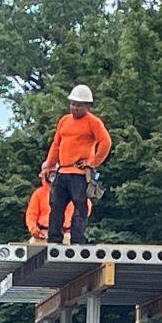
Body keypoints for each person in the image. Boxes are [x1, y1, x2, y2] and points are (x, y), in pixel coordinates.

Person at [41, 84, 111, 245]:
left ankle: (78, 240)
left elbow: (105, 142)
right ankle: (54, 239)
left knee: (80, 207)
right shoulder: (64, 121)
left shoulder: (93, 122)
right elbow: (56, 144)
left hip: (79, 173)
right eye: (72, 104)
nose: (75, 108)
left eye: (79, 105)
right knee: (56, 206)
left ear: (87, 106)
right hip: (62, 171)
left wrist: (93, 163)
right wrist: (49, 165)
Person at [25, 170, 90, 242]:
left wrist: (74, 228)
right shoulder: (39, 193)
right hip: (43, 232)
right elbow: (31, 214)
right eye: (51, 174)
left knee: (69, 247)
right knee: (33, 246)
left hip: (67, 232)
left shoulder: (75, 191)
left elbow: (84, 209)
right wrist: (34, 229)